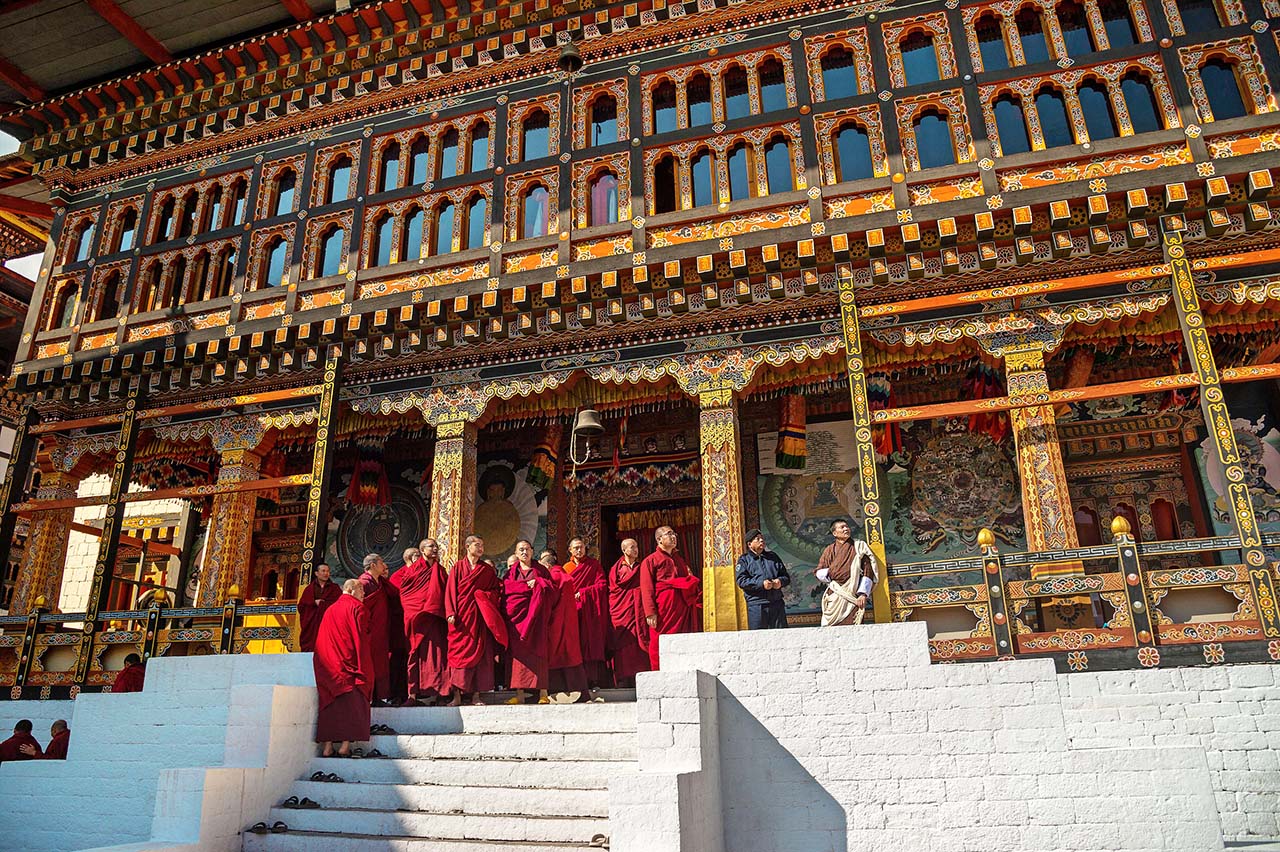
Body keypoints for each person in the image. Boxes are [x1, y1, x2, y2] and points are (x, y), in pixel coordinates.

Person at [313, 579, 374, 758]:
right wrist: (365, 667)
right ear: (350, 590)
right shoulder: (357, 608)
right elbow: (361, 640)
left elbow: (322, 638)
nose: (363, 593)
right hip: (349, 665)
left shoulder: (330, 609)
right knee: (351, 703)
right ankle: (345, 747)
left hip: (328, 665)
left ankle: (327, 746)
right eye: (361, 589)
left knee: (330, 704)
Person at [445, 535, 508, 706]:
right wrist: (450, 612)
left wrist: (483, 597)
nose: (480, 548)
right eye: (477, 545)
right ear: (467, 546)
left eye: (482, 545)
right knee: (458, 654)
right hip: (461, 620)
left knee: (481, 656)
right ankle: (457, 696)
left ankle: (476, 696)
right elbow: (450, 591)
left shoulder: (486, 570)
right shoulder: (458, 568)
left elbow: (496, 591)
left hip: (479, 618)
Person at [393, 540, 449, 706]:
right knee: (415, 656)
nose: (435, 549)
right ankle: (412, 696)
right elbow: (406, 594)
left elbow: (445, 592)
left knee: (439, 656)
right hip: (417, 619)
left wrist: (437, 608)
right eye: (431, 546)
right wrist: (420, 611)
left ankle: (441, 693)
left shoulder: (440, 570)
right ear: (422, 550)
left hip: (436, 618)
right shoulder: (414, 570)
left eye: (436, 546)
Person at [638, 526, 701, 670]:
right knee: (659, 639)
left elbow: (686, 581)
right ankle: (659, 670)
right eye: (669, 534)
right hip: (663, 608)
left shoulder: (679, 559)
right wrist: (650, 612)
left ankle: (681, 668)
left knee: (682, 638)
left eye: (674, 534)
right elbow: (646, 588)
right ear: (659, 539)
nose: (674, 537)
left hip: (681, 606)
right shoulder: (650, 560)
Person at [501, 540, 556, 704]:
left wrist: (539, 582)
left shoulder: (541, 570)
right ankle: (519, 694)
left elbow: (553, 589)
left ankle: (543, 693)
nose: (524, 552)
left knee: (539, 654)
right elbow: (506, 590)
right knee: (518, 657)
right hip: (517, 620)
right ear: (516, 554)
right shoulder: (511, 572)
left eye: (527, 549)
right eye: (521, 550)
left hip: (537, 620)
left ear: (533, 552)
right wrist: (527, 587)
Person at [563, 537, 610, 691]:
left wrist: (583, 592)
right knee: (575, 646)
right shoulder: (566, 568)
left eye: (581, 547)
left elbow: (602, 585)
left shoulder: (593, 565)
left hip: (590, 612)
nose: (579, 550)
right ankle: (576, 682)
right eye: (576, 547)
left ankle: (593, 680)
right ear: (570, 550)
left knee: (590, 644)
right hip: (573, 613)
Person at [814, 519, 878, 626]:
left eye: (847, 527)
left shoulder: (859, 546)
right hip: (835, 592)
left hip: (853, 594)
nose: (846, 529)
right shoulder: (829, 550)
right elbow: (819, 571)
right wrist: (833, 573)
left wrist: (863, 594)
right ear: (834, 533)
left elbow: (868, 570)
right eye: (842, 527)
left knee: (853, 625)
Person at [608, 538, 650, 687]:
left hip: (638, 609)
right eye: (632, 547)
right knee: (624, 642)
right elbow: (614, 590)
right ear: (624, 550)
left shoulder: (642, 567)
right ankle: (623, 677)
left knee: (640, 640)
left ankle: (641, 676)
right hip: (622, 610)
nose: (636, 550)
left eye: (637, 546)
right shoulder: (616, 569)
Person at [736, 529, 790, 630]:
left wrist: (780, 582)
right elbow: (741, 581)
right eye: (758, 539)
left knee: (781, 635)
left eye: (762, 538)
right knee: (759, 637)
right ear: (750, 544)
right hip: (757, 605)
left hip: (776, 602)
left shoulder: (773, 557)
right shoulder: (744, 560)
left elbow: (786, 577)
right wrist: (761, 584)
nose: (762, 541)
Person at [358, 553, 393, 705]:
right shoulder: (363, 583)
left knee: (380, 664)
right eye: (381, 562)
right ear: (373, 565)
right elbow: (358, 608)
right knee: (369, 664)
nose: (384, 565)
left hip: (381, 631)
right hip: (368, 632)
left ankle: (378, 697)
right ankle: (368, 696)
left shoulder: (380, 583)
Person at [297, 563, 341, 652]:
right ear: (316, 573)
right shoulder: (309, 589)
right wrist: (313, 603)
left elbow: (339, 605)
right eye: (323, 571)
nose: (326, 573)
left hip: (328, 622)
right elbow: (301, 606)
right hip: (312, 624)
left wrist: (323, 605)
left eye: (328, 571)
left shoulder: (335, 588)